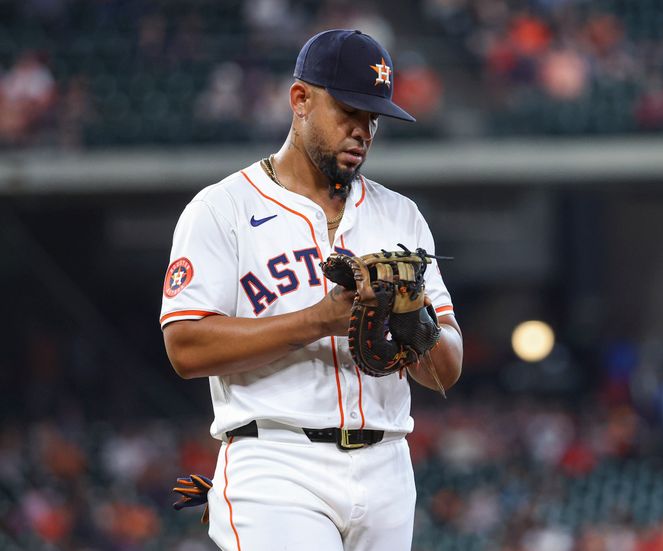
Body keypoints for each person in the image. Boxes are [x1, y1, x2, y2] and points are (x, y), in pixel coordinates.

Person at [160, 29, 463, 551]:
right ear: (300, 99)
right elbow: (185, 347)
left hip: (389, 463)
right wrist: (318, 320)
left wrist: (415, 324)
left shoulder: (401, 216)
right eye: (349, 111)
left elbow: (446, 371)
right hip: (276, 459)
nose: (363, 130)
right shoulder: (220, 209)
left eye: (373, 118)